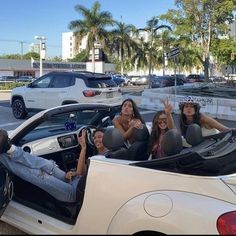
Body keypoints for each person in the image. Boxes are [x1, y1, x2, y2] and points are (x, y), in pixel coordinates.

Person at [0, 128, 107, 203]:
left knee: (37, 174)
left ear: (108, 138)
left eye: (100, 137)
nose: (96, 139)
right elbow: (82, 173)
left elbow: (83, 174)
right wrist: (74, 173)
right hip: (74, 179)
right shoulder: (98, 154)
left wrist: (83, 148)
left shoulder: (109, 159)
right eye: (95, 137)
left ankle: (2, 156)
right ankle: (10, 149)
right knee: (46, 164)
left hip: (74, 192)